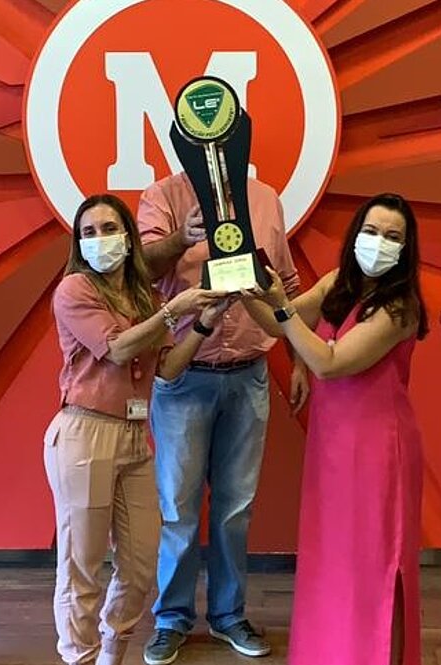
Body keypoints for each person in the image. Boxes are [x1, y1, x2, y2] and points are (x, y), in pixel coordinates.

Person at [44, 193, 230, 665]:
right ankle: (80, 657)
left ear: (129, 237)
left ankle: (112, 653)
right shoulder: (74, 289)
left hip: (134, 436)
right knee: (82, 565)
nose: (99, 239)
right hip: (85, 432)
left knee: (141, 563)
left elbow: (166, 368)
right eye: (88, 232)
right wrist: (173, 310)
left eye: (109, 229)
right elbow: (118, 349)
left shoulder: (143, 296)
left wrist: (202, 325)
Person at [244, 192, 429, 665]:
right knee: (332, 561)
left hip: (378, 451)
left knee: (374, 563)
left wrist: (282, 309)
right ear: (355, 235)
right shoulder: (336, 284)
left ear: (406, 248)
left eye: (392, 236)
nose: (379, 242)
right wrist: (243, 289)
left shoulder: (400, 307)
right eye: (371, 231)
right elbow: (278, 324)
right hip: (331, 446)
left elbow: (328, 362)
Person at [137, 171, 306, 664]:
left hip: (249, 375)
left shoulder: (265, 198)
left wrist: (298, 360)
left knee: (236, 507)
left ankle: (229, 614)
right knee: (178, 508)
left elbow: (286, 286)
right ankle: (171, 618)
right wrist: (180, 238)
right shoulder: (162, 197)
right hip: (182, 378)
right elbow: (141, 269)